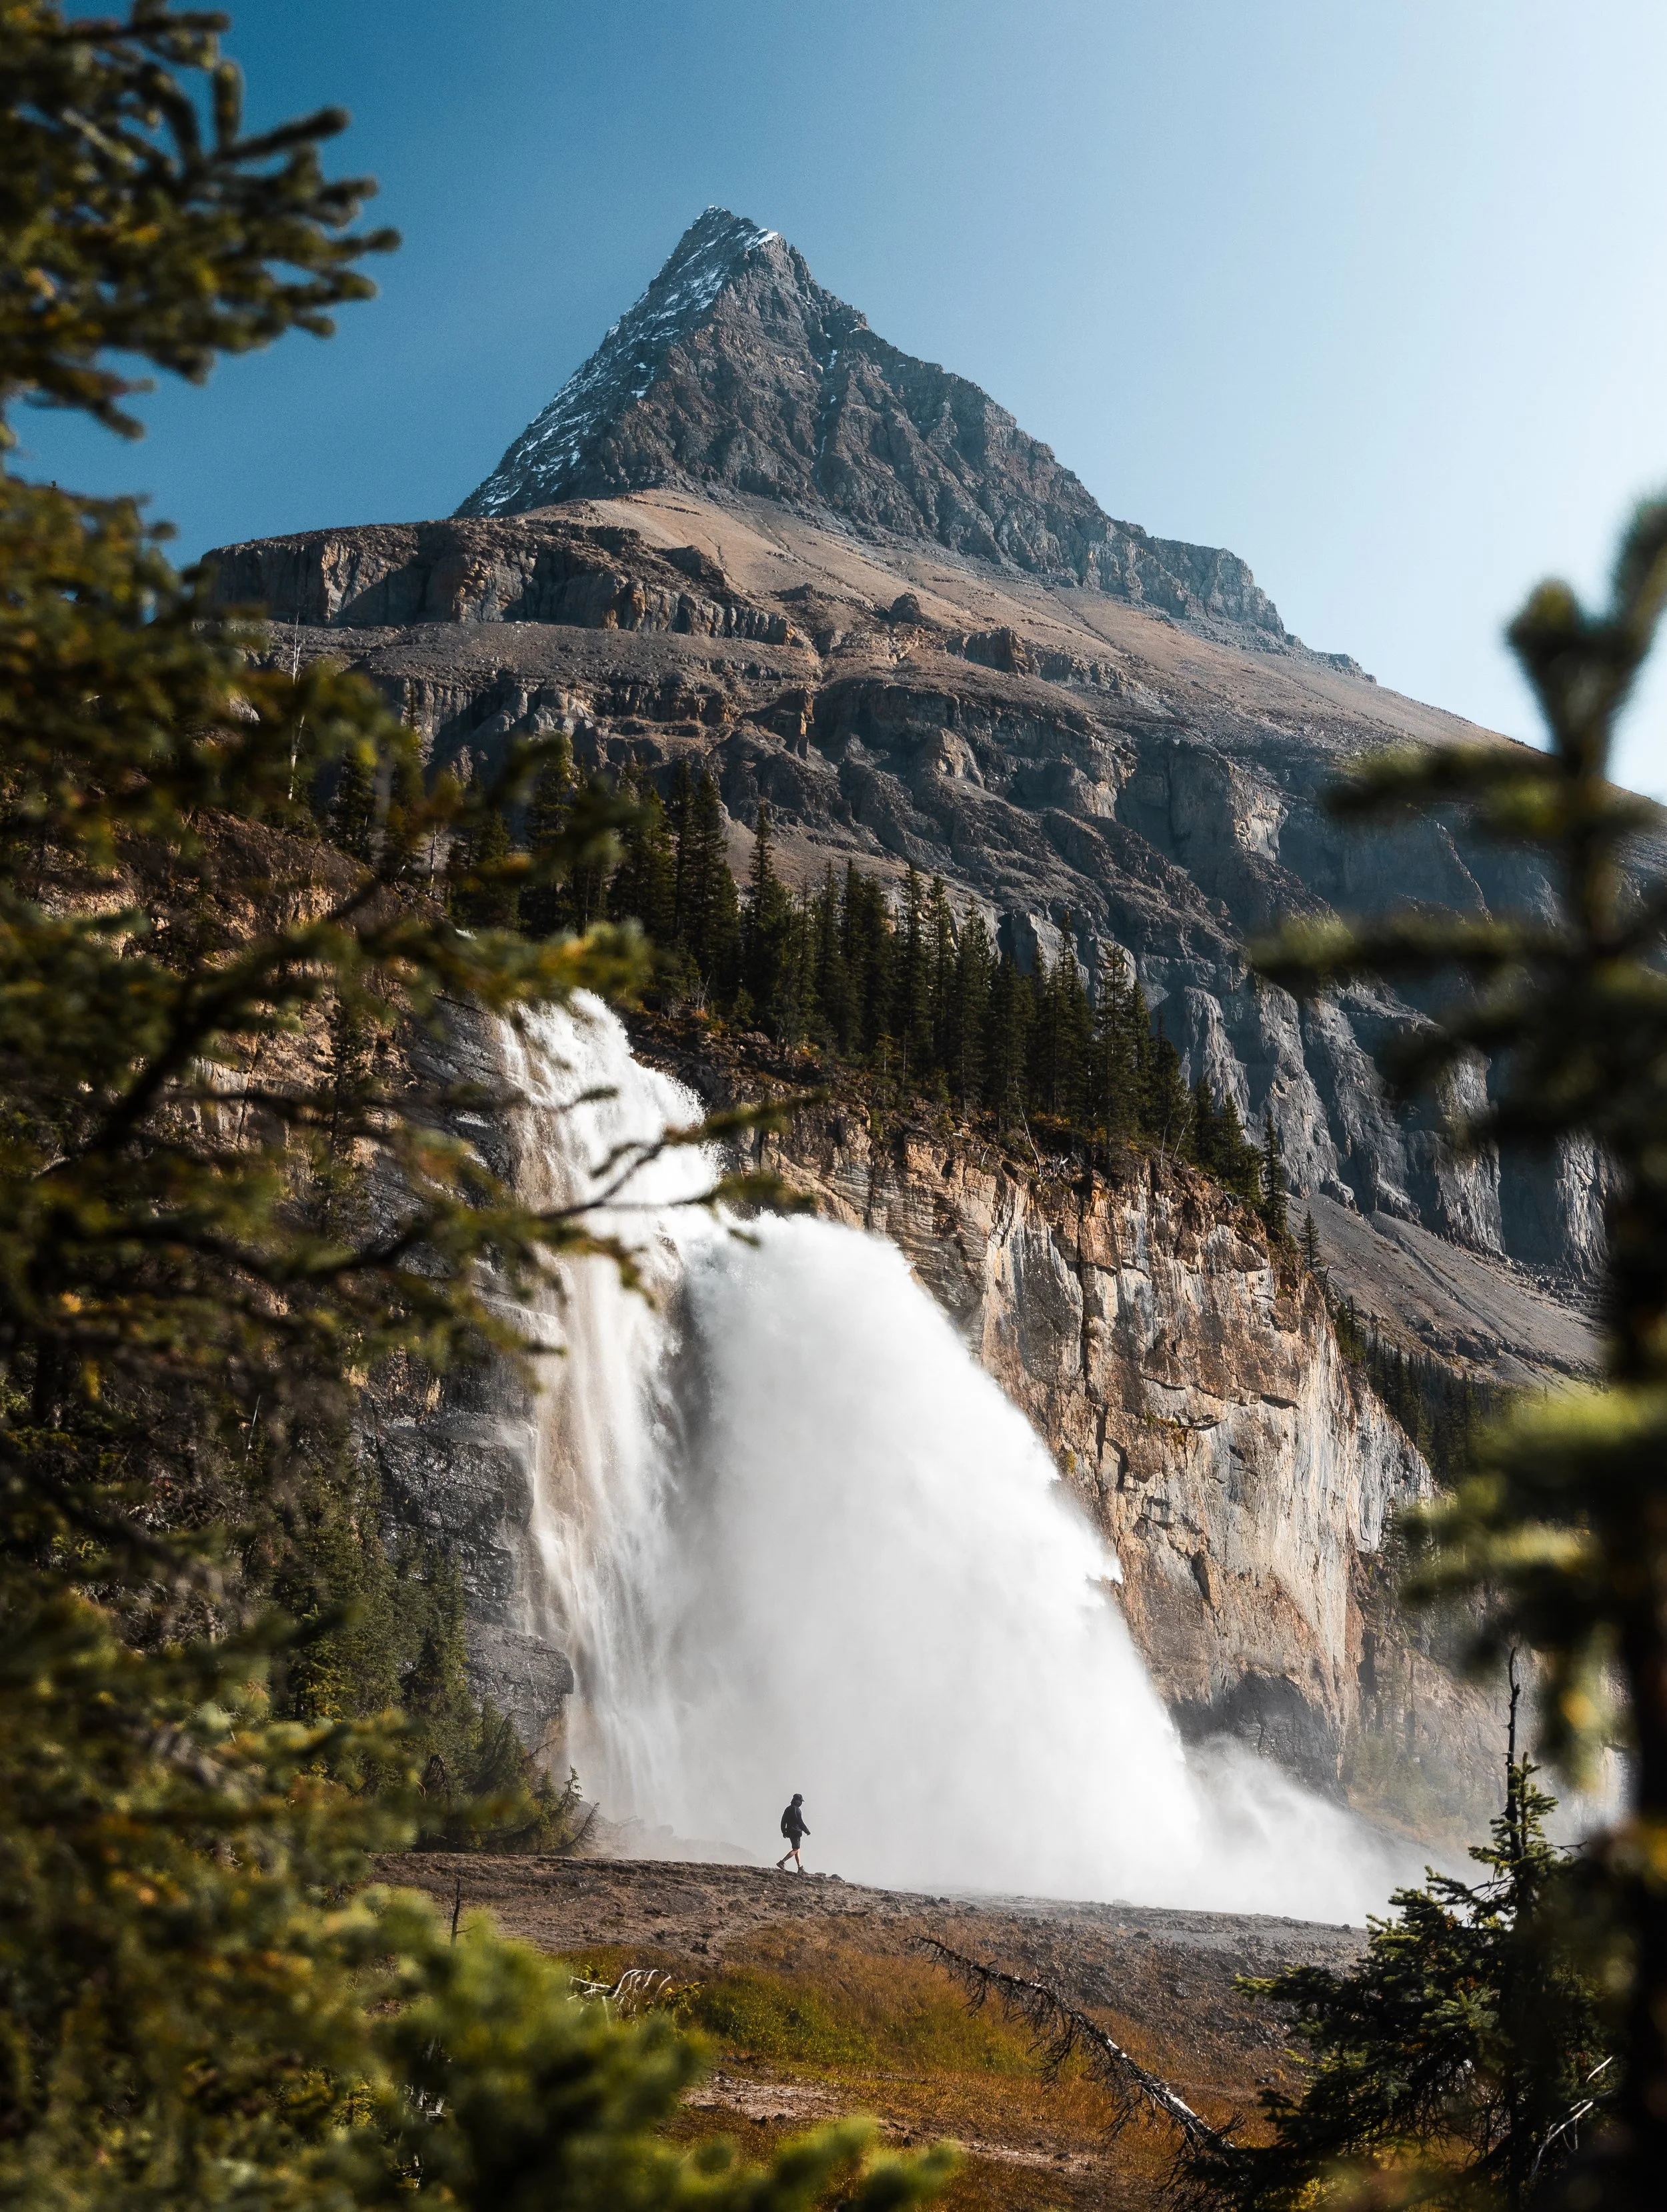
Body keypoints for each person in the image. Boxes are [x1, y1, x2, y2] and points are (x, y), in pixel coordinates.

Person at [775, 1792, 809, 1871]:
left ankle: (800, 1867)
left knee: (797, 1849)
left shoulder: (788, 1809)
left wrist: (784, 1831)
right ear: (798, 1801)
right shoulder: (797, 1810)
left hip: (789, 1832)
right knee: (795, 1849)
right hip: (796, 1832)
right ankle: (782, 1862)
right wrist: (807, 1831)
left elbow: (783, 1821)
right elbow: (800, 1822)